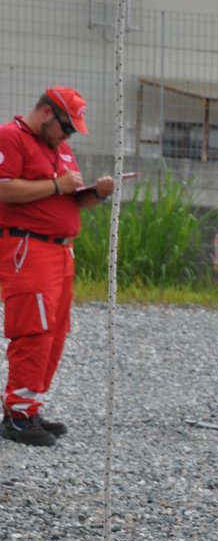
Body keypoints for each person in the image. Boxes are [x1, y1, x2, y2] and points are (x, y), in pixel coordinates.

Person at [0, 87, 117, 447]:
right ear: (48, 114)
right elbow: (3, 189)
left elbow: (68, 199)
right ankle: (18, 417)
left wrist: (95, 194)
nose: (68, 136)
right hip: (26, 247)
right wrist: (54, 185)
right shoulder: (11, 137)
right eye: (66, 127)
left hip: (61, 251)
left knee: (54, 332)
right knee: (33, 330)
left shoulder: (59, 148)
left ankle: (29, 407)